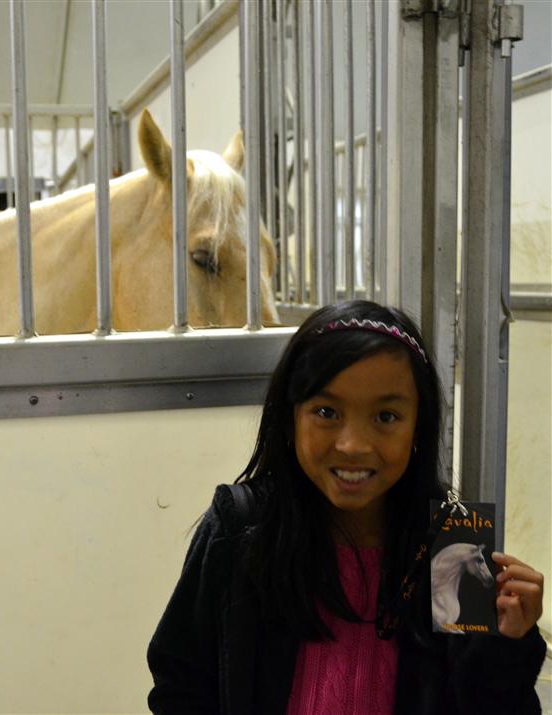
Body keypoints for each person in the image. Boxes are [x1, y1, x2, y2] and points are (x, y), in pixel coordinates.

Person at [147, 300, 546, 714]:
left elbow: (488, 705)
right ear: (290, 420)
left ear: (418, 429)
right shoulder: (242, 527)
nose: (353, 445)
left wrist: (509, 641)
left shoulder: (453, 543)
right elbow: (180, 684)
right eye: (326, 412)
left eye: (386, 416)